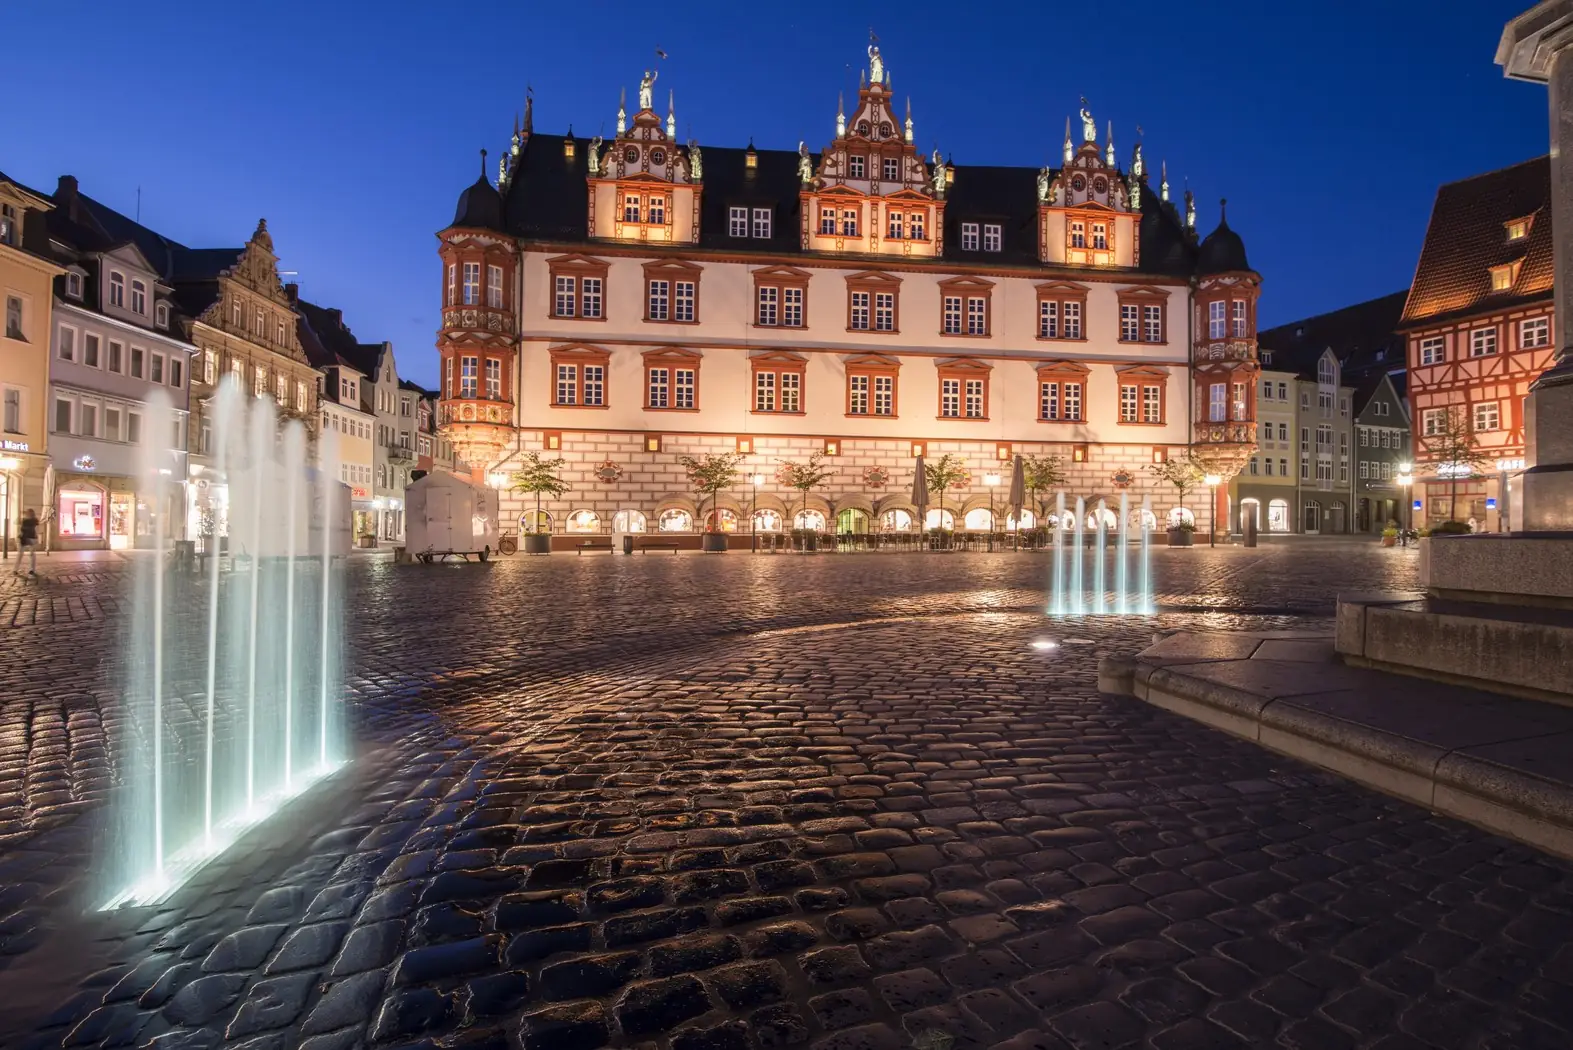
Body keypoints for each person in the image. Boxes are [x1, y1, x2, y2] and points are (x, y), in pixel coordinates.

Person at [15, 508, 37, 576]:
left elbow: (36, 530)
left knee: (31, 554)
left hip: (30, 538)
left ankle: (32, 569)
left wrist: (36, 538)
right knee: (21, 554)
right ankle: (16, 569)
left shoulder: (34, 520)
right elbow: (19, 527)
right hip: (25, 538)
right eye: (27, 513)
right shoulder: (25, 520)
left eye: (29, 513)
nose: (28, 514)